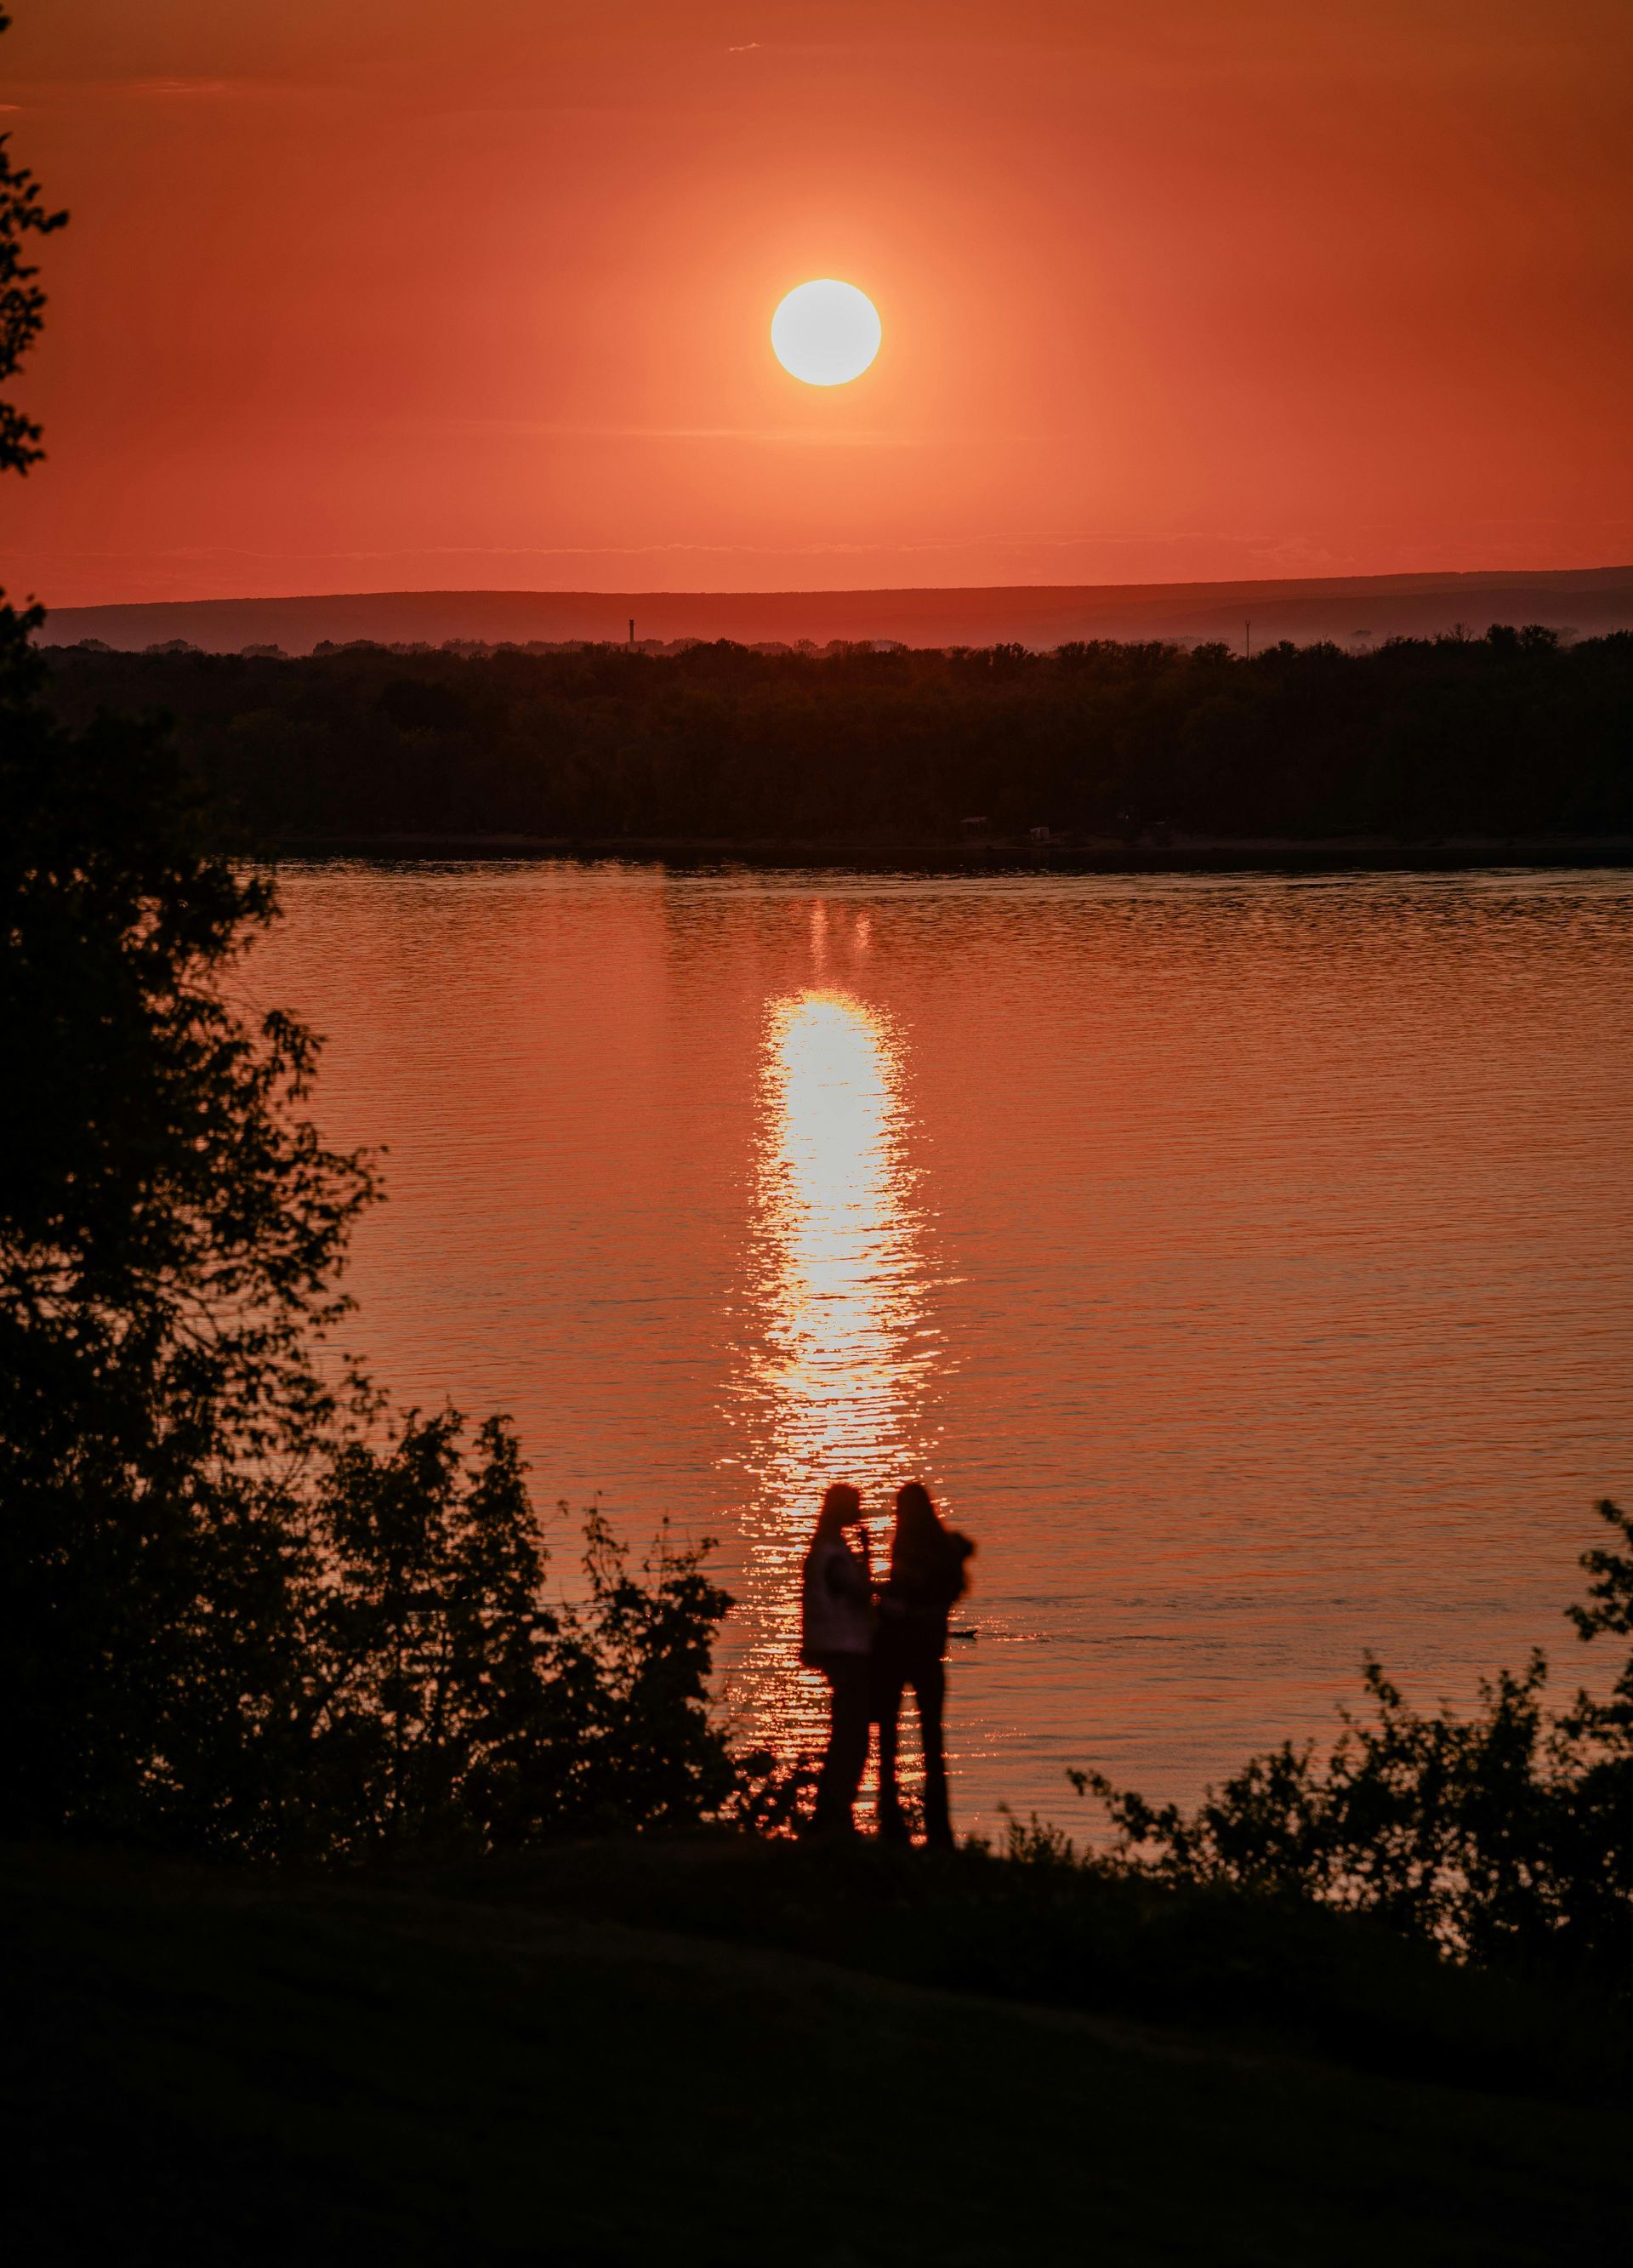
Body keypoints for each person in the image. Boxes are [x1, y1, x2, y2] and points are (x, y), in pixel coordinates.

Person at [873, 1481, 975, 1850]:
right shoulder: (944, 1555)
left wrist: (878, 1594)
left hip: (898, 1654)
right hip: (931, 1658)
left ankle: (893, 1824)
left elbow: (902, 1597)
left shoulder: (908, 1546)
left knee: (888, 1739)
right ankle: (939, 1831)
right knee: (933, 1743)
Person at [799, 1482, 875, 1836]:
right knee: (851, 1736)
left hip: (836, 1646)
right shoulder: (831, 1551)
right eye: (855, 1504)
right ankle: (833, 1815)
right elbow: (857, 1591)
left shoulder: (827, 1547)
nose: (860, 1509)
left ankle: (833, 1814)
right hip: (842, 1648)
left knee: (849, 1733)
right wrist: (867, 1556)